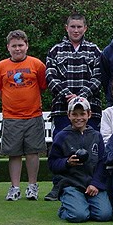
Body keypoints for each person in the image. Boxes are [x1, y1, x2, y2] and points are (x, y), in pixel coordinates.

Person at [44, 14, 102, 201]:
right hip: (62, 109)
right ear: (66, 27)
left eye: (79, 27)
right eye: (72, 26)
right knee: (62, 150)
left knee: (91, 151)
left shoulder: (94, 50)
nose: (76, 30)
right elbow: (50, 76)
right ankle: (59, 186)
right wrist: (67, 95)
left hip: (90, 109)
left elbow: (98, 76)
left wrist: (82, 96)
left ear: (85, 28)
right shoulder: (56, 50)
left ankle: (91, 185)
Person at [0, 30, 47, 201]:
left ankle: (32, 187)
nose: (17, 49)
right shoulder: (1, 67)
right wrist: (11, 99)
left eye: (20, 45)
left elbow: (43, 86)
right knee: (14, 154)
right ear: (8, 47)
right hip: (11, 117)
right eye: (14, 46)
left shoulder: (37, 64)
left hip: (33, 116)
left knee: (32, 153)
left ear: (27, 46)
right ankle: (14, 188)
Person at [47, 97, 112, 223]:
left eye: (82, 114)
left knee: (104, 215)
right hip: (71, 184)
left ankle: (82, 203)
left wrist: (95, 184)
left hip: (92, 184)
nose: (78, 118)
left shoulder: (96, 136)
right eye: (74, 114)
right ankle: (66, 208)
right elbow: (52, 163)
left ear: (89, 114)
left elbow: (101, 163)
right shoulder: (61, 136)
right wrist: (66, 162)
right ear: (68, 115)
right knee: (79, 216)